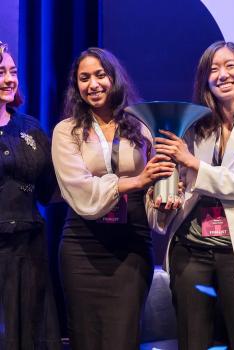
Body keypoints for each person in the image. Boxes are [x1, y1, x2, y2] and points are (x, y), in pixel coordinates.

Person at [148, 41, 234, 350]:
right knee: (192, 341)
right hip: (191, 250)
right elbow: (181, 180)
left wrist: (193, 163)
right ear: (205, 80)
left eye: (229, 66)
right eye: (213, 69)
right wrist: (169, 196)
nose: (222, 74)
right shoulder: (195, 127)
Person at [51, 47, 176, 350]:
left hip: (131, 246)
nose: (92, 84)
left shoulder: (142, 124)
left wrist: (163, 198)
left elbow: (154, 183)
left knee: (123, 338)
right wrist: (134, 180)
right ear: (76, 86)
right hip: (82, 247)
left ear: (114, 78)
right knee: (85, 338)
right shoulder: (66, 131)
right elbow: (78, 187)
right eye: (84, 78)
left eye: (100, 75)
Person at [0, 42, 61, 349]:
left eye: (13, 71)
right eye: (1, 72)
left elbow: (51, 189)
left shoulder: (30, 128)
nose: (10, 79)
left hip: (31, 249)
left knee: (32, 333)